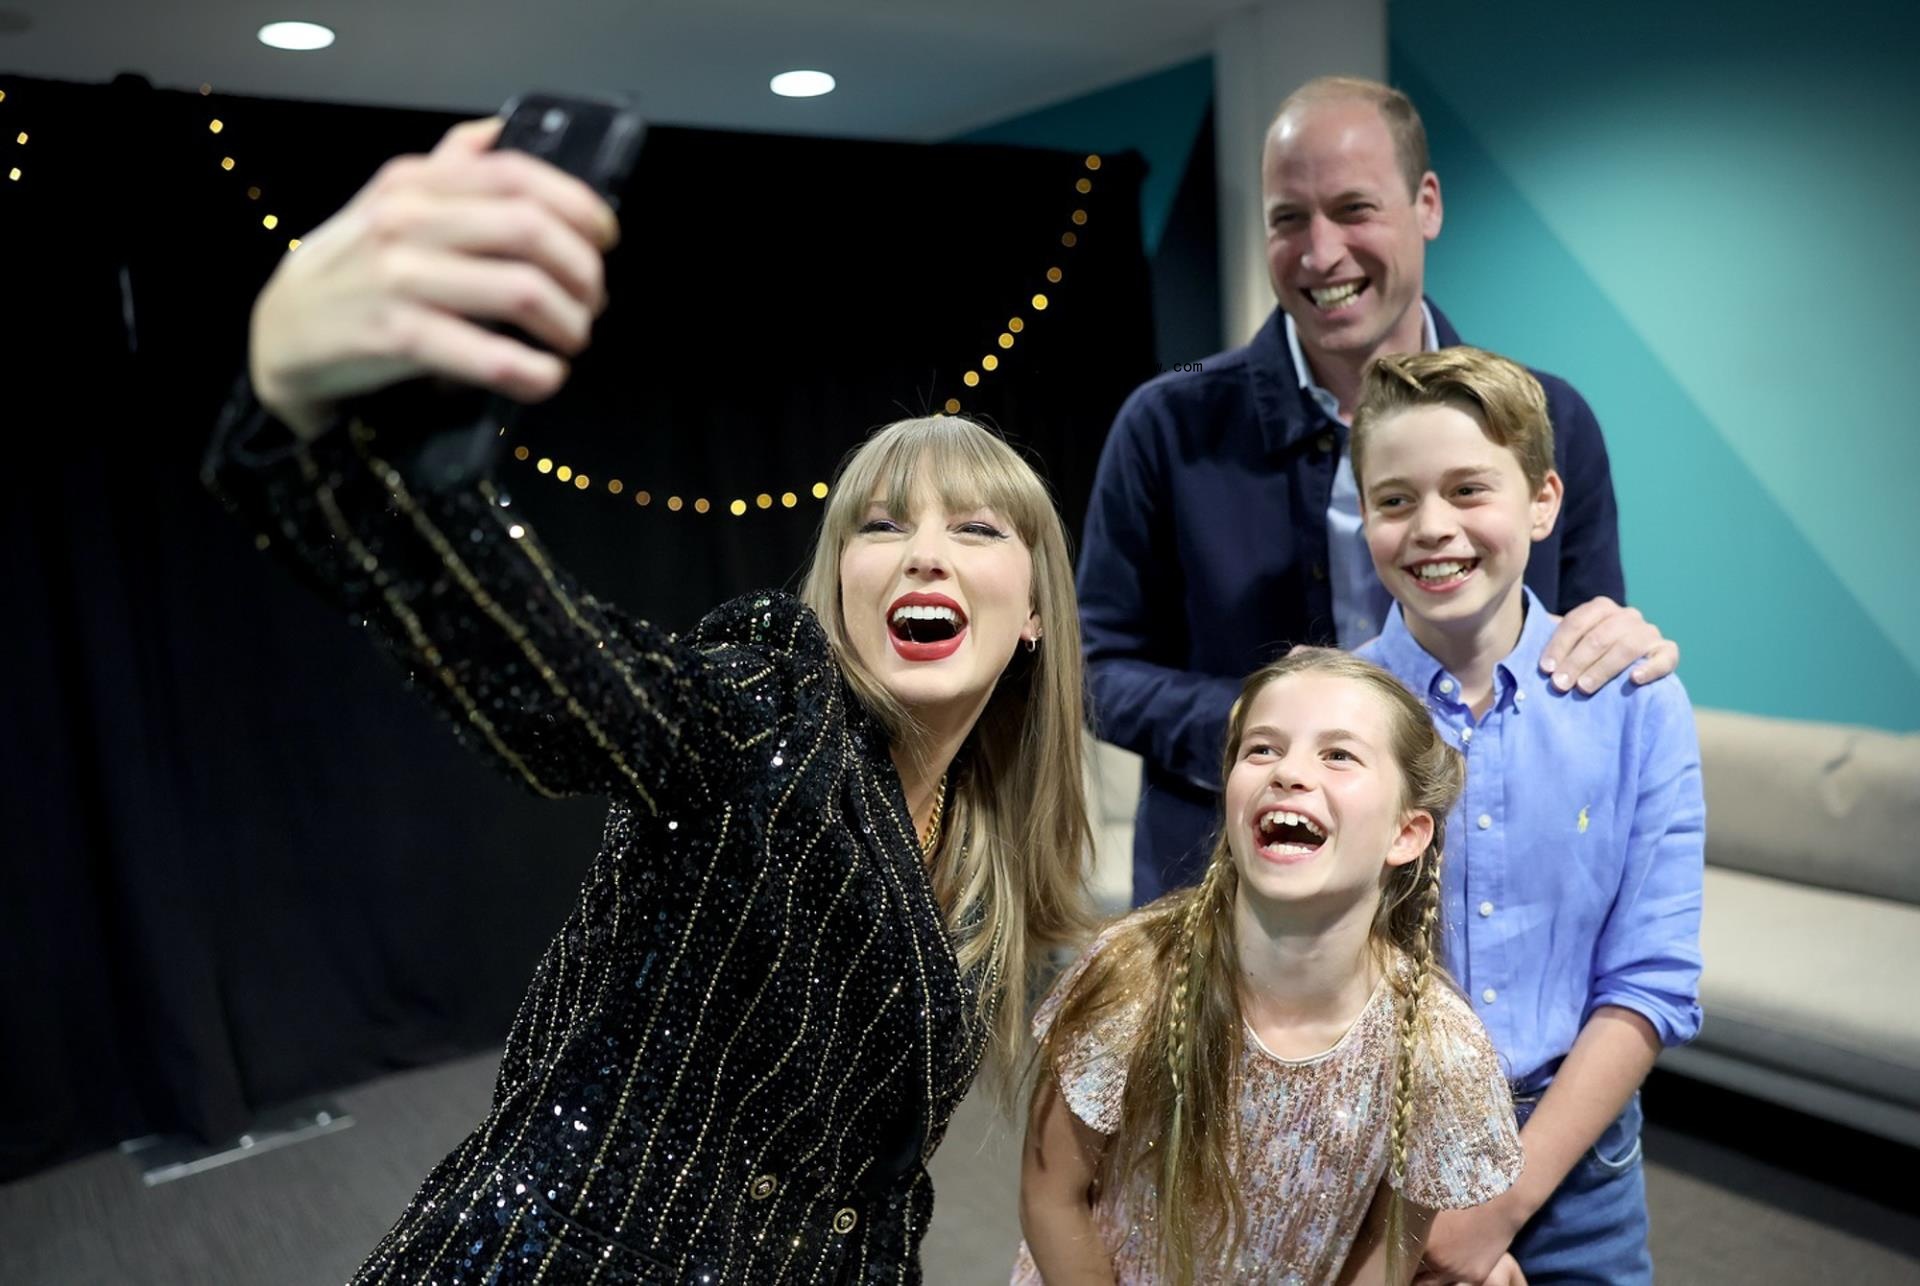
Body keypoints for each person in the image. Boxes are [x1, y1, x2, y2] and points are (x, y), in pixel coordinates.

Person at [203, 117, 1096, 1284]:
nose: (923, 554)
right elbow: (562, 678)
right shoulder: (771, 707)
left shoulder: (978, 851)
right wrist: (303, 413)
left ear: (1034, 610)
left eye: (974, 529)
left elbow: (861, 1193)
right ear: (836, 584)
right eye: (881, 526)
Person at [1076, 76, 1681, 905]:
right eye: (1289, 219)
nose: (1320, 254)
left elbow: (1581, 647)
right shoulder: (1166, 424)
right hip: (1228, 891)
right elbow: (1092, 667)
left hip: (1489, 891)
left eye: (1354, 209)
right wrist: (1264, 725)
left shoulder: (1553, 420)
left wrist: (1620, 642)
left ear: (1426, 203)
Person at [1350, 347, 1704, 1285]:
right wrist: (1424, 1213)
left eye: (1470, 490)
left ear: (1543, 501)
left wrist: (1498, 1206)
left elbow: (1652, 981)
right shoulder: (1326, 709)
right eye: (1394, 500)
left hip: (1579, 1168)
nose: (1433, 528)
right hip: (1372, 1164)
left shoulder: (1638, 704)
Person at [1012, 648, 1527, 1285]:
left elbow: (1387, 1255)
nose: (1288, 772)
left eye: (1338, 754)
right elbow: (1052, 1194)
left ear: (1407, 834)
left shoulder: (1436, 1050)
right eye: (1261, 749)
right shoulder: (1134, 977)